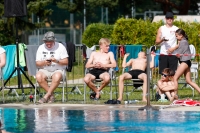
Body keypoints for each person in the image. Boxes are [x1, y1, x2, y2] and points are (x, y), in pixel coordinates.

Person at [35, 31, 68, 103]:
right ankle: (51, 95)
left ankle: (46, 96)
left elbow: (66, 61)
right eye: (47, 44)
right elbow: (37, 63)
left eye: (50, 43)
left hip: (57, 69)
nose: (48, 45)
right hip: (45, 69)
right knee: (38, 76)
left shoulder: (60, 47)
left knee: (57, 76)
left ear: (54, 41)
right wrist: (44, 62)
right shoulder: (41, 48)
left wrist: (56, 61)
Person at [172, 29, 200, 94]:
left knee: (175, 78)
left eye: (176, 36)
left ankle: (175, 96)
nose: (176, 37)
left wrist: (172, 51)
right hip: (187, 62)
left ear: (181, 35)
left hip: (184, 62)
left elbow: (179, 54)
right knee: (188, 81)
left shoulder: (183, 42)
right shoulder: (184, 41)